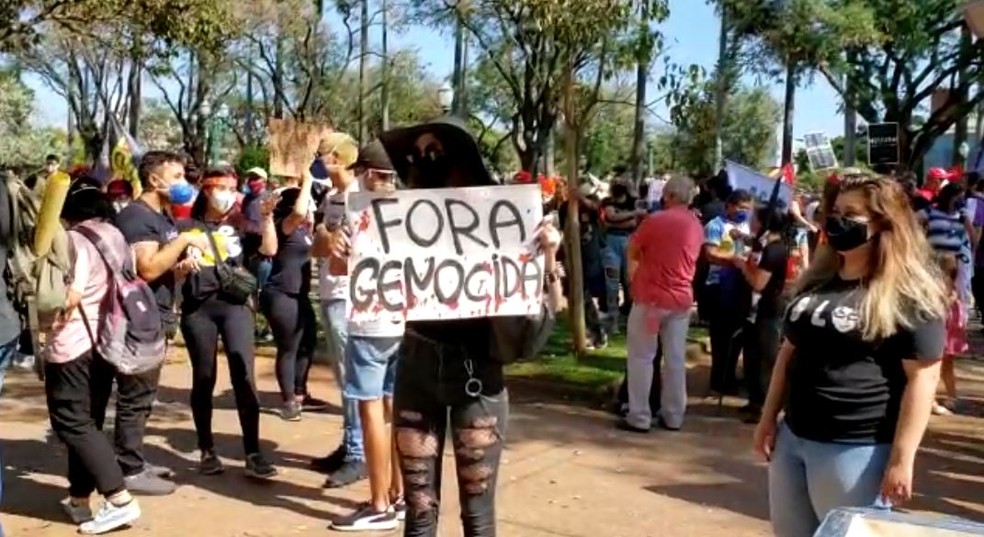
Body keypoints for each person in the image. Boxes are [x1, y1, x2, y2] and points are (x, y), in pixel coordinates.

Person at [379, 117, 562, 536]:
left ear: (464, 159)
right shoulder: (401, 220)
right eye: (420, 155)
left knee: (478, 512)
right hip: (416, 367)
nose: (427, 162)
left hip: (477, 373)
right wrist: (335, 245)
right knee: (419, 508)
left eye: (437, 152)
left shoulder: (503, 217)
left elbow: (539, 313)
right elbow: (347, 266)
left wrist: (547, 256)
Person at [754, 173, 946, 537]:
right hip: (793, 438)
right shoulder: (817, 280)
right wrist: (768, 418)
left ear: (884, 223)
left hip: (856, 451)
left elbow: (922, 379)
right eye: (835, 211)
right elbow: (787, 354)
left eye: (851, 213)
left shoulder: (908, 294)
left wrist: (902, 459)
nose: (837, 220)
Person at [44, 178, 143, 534]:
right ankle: (79, 499)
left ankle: (119, 500)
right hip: (107, 341)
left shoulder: (74, 240)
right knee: (89, 423)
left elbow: (71, 296)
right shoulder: (115, 236)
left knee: (71, 420)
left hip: (72, 342)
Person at [114, 150, 209, 495]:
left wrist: (180, 267)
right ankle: (129, 469)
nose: (184, 184)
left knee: (145, 394)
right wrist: (185, 240)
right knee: (135, 394)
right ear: (155, 180)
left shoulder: (162, 216)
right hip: (139, 318)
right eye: (177, 177)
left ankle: (133, 459)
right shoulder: (138, 218)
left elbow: (160, 266)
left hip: (158, 312)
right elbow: (148, 267)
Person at [178, 169, 279, 478]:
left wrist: (267, 218)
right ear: (205, 190)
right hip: (199, 310)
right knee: (204, 377)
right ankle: (207, 449)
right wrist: (181, 266)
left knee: (244, 376)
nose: (226, 194)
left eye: (232, 189)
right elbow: (171, 267)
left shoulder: (240, 227)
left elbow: (269, 250)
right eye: (219, 187)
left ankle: (253, 452)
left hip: (235, 307)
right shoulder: (186, 227)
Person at [328, 141, 407, 531]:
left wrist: (337, 249)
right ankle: (401, 494)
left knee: (371, 408)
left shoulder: (360, 213)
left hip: (372, 324)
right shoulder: (418, 213)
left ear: (371, 175)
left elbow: (339, 268)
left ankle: (380, 504)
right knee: (396, 407)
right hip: (408, 324)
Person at [619, 175, 703, 433]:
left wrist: (637, 273)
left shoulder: (654, 221)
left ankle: (640, 415)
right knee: (675, 359)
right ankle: (674, 414)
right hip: (680, 299)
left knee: (642, 357)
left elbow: (632, 250)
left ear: (670, 196)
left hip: (650, 298)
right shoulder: (696, 225)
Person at [309, 132, 368, 488]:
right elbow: (319, 247)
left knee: (354, 378)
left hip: (352, 295)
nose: (318, 160)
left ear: (340, 157)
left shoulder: (363, 198)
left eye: (323, 154)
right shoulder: (332, 197)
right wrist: (326, 237)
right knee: (343, 377)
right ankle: (350, 444)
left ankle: (359, 454)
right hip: (331, 292)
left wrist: (329, 239)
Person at [260, 172, 326, 421]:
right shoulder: (283, 225)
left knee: (308, 343)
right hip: (280, 294)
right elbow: (298, 212)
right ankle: (288, 400)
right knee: (289, 347)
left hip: (299, 295)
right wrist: (307, 180)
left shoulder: (303, 231)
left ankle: (300, 393)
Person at [737, 207, 790, 423]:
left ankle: (770, 408)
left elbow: (759, 283)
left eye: (754, 219)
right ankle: (755, 401)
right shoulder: (764, 245)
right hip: (755, 312)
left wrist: (741, 266)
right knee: (751, 356)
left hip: (769, 311)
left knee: (767, 359)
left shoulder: (775, 250)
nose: (750, 223)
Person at [702, 189, 755, 396]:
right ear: (729, 206)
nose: (743, 212)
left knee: (738, 335)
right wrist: (734, 259)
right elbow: (710, 253)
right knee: (721, 336)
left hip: (742, 285)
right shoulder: (715, 226)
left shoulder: (746, 226)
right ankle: (718, 380)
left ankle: (730, 376)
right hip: (719, 286)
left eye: (747, 208)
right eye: (740, 207)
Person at [917, 183, 975, 310]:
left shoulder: (962, 215)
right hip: (934, 260)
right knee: (934, 294)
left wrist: (966, 219)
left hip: (953, 263)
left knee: (951, 295)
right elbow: (912, 222)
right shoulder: (931, 211)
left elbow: (972, 237)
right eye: (957, 197)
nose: (960, 201)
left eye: (962, 198)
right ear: (948, 196)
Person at [600, 174, 642, 329]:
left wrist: (616, 221)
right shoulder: (607, 202)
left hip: (629, 243)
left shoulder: (633, 202)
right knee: (611, 282)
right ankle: (613, 318)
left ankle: (631, 317)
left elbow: (631, 223)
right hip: (610, 243)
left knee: (629, 281)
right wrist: (629, 217)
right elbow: (609, 217)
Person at [934, 253, 966, 416]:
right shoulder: (954, 290)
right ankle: (950, 396)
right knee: (944, 368)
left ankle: (941, 398)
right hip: (947, 336)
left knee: (937, 369)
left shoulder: (947, 292)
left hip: (944, 336)